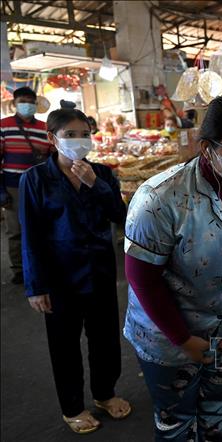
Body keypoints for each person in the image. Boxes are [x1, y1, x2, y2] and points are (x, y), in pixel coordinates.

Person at [123, 94, 222, 441]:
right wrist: (184, 339)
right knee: (176, 421)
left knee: (219, 416)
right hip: (168, 338)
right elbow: (142, 277)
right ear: (206, 146)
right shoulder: (160, 198)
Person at [19, 107, 130, 434]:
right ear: (53, 139)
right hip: (59, 278)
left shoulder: (103, 173)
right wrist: (35, 286)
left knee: (106, 339)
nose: (80, 141)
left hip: (99, 272)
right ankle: (72, 407)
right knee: (64, 346)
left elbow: (120, 216)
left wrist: (96, 184)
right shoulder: (35, 179)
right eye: (70, 135)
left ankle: (105, 393)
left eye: (85, 134)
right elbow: (31, 235)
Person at [0, 86, 51, 284]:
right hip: (13, 186)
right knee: (15, 230)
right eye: (23, 101)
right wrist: (1, 191)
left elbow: (52, 156)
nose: (27, 105)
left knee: (41, 226)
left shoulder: (44, 128)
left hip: (40, 186)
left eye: (31, 101)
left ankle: (41, 264)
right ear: (14, 103)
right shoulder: (4, 126)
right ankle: (19, 270)